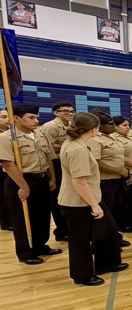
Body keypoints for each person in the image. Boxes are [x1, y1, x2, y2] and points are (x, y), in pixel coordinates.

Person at [59, 112, 127, 286]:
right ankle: (83, 275)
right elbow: (79, 182)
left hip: (89, 196)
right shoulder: (77, 149)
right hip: (79, 201)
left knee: (108, 230)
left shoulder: (78, 143)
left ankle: (107, 263)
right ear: (94, 129)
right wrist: (95, 205)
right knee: (80, 240)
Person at [0, 104, 61, 264]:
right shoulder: (7, 138)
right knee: (22, 219)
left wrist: (52, 178)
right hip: (20, 181)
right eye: (31, 117)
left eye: (36, 117)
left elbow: (49, 159)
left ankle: (40, 245)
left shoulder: (40, 136)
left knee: (42, 215)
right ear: (17, 118)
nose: (36, 120)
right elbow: (7, 163)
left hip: (41, 180)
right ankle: (26, 252)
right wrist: (23, 186)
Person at [88, 110, 132, 247]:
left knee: (115, 211)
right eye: (111, 124)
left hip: (117, 179)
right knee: (106, 213)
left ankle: (113, 237)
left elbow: (118, 157)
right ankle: (103, 242)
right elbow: (96, 163)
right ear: (99, 126)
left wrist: (126, 172)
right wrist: (119, 171)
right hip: (105, 181)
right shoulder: (95, 140)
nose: (114, 126)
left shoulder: (111, 137)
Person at [39, 101, 74, 241]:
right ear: (56, 112)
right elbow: (47, 148)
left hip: (67, 163)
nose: (69, 113)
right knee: (57, 199)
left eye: (71, 111)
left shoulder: (71, 126)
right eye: (65, 111)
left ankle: (67, 228)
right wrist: (67, 147)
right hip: (55, 163)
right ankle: (61, 230)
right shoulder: (50, 127)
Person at [0, 107, 11, 231]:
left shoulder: (11, 132)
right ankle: (5, 222)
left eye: (8, 116)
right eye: (3, 117)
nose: (7, 119)